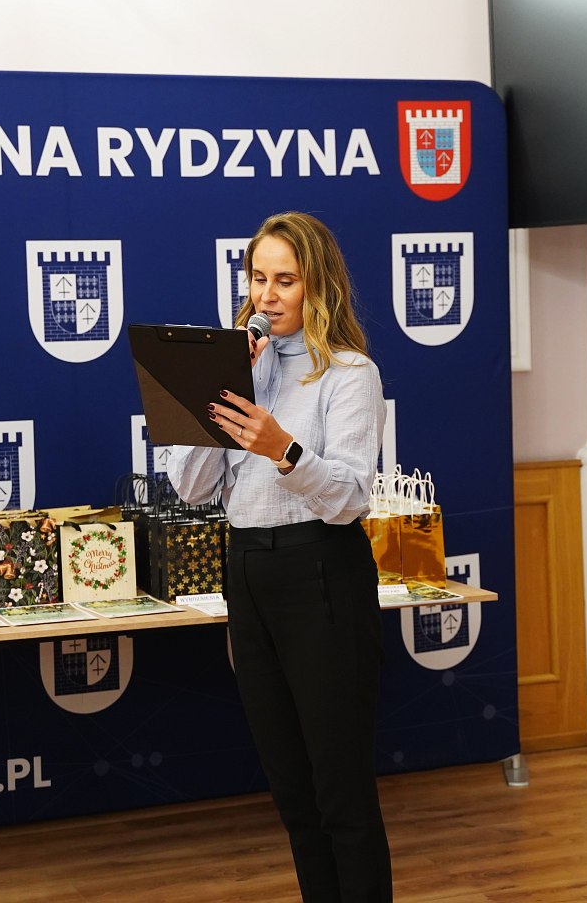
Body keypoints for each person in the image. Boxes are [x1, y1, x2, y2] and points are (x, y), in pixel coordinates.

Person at [167, 210, 391, 902]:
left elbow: (350, 497)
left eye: (285, 280)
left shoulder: (348, 373)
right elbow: (190, 487)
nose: (267, 295)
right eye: (258, 278)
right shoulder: (237, 366)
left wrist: (283, 449)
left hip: (321, 571)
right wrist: (213, 391)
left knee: (339, 790)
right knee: (292, 793)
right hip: (248, 573)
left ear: (319, 286)